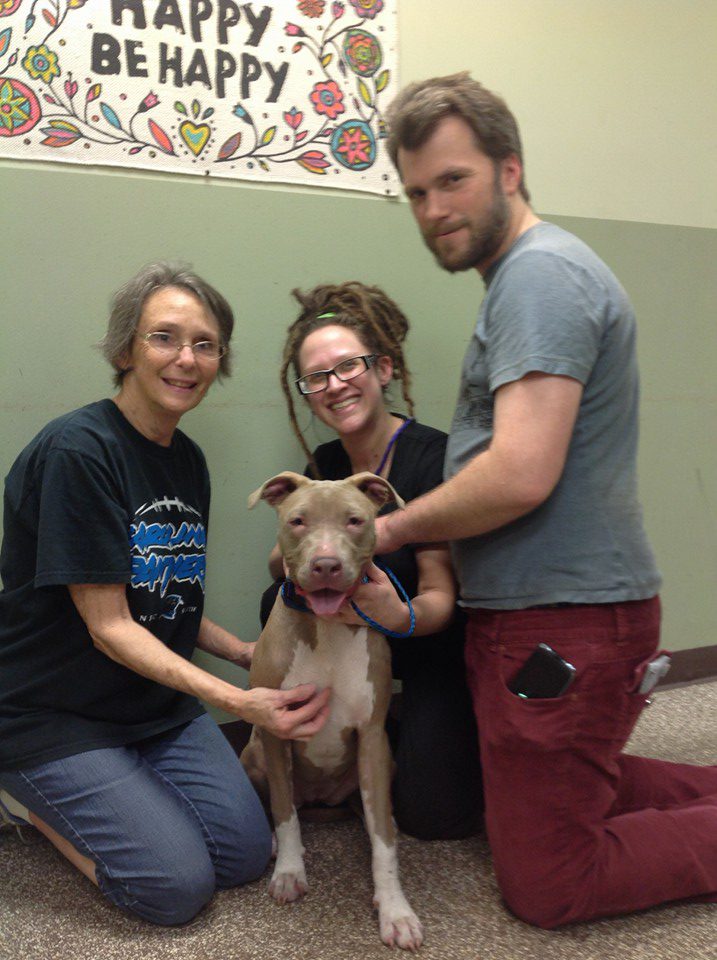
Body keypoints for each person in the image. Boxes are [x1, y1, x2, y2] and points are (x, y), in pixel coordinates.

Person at [374, 73, 717, 926]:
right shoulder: (527, 277)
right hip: (544, 612)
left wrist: (390, 527)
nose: (433, 209)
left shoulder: (539, 278)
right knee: (551, 791)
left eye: (452, 180)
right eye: (416, 192)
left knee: (548, 883)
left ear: (509, 169)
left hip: (563, 620)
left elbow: (521, 472)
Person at [0, 262, 331, 926]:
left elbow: (165, 596)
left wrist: (244, 653)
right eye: (164, 338)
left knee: (244, 855)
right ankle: (32, 802)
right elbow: (110, 627)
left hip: (150, 707)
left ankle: (120, 795)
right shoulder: (79, 452)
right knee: (174, 888)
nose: (187, 359)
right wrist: (241, 701)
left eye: (204, 344)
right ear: (125, 350)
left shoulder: (185, 458)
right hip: (51, 712)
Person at [264, 280, 483, 841]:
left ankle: (409, 722)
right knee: (276, 598)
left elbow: (441, 598)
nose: (333, 386)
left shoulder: (433, 457)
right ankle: (346, 732)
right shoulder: (325, 463)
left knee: (434, 816)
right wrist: (293, 554)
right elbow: (287, 556)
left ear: (384, 369)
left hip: (427, 645)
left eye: (348, 367)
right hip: (349, 645)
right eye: (316, 377)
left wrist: (397, 614)